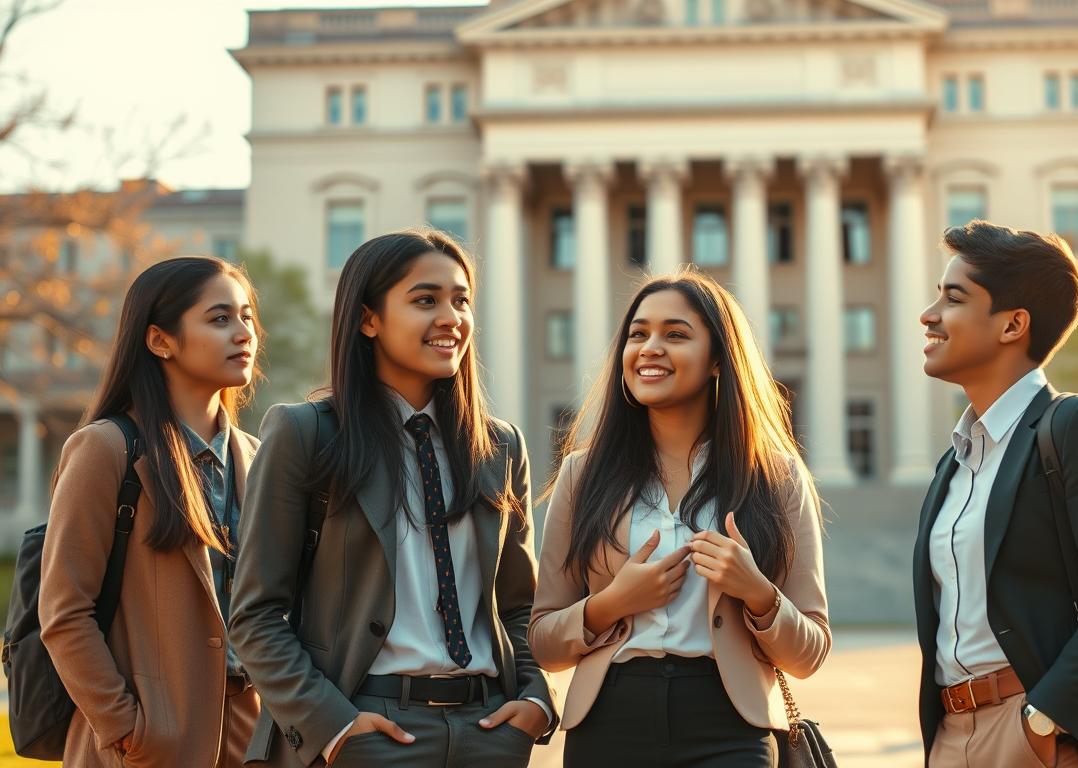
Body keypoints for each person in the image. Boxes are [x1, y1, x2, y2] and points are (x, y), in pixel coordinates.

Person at [229, 230, 555, 767]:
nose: (451, 317)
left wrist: (536, 697)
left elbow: (517, 605)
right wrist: (334, 726)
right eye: (425, 300)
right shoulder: (306, 434)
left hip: (491, 730)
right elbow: (256, 615)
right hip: (369, 730)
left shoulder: (500, 446)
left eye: (461, 299)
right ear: (368, 320)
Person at [530, 270, 829, 767]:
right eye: (637, 334)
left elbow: (810, 653)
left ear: (717, 360)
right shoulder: (583, 474)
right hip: (609, 722)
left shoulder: (775, 475)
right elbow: (543, 641)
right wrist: (612, 603)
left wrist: (757, 593)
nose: (649, 347)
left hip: (730, 726)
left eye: (675, 334)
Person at [913, 220, 1078, 768]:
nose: (929, 314)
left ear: (1013, 325)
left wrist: (1043, 719)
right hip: (951, 736)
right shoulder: (954, 462)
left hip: (1038, 736)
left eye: (953, 297)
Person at [39, 256, 263, 766]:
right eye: (219, 318)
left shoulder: (260, 456)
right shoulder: (106, 449)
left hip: (251, 743)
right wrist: (125, 726)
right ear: (160, 340)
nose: (243, 332)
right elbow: (63, 612)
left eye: (247, 316)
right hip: (146, 747)